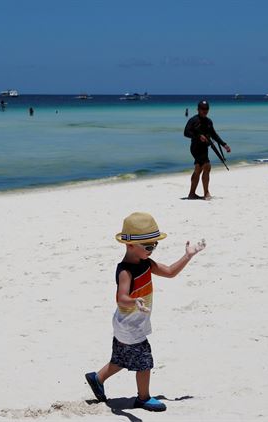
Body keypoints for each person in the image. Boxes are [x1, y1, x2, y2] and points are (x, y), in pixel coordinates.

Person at [84, 212, 206, 412]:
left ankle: (97, 378)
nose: (152, 250)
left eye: (155, 245)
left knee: (121, 358)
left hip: (131, 322)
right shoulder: (126, 270)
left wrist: (188, 256)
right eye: (148, 246)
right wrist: (134, 300)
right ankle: (143, 398)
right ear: (130, 245)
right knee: (144, 361)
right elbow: (121, 297)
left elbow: (170, 272)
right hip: (129, 324)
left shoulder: (146, 264)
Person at [183, 100, 231, 199]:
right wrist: (198, 136)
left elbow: (214, 135)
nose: (205, 111)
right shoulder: (193, 120)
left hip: (204, 148)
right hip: (195, 148)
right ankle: (206, 193)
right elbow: (186, 133)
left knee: (198, 169)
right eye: (202, 109)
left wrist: (224, 144)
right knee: (207, 166)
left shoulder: (209, 121)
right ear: (198, 109)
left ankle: (192, 194)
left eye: (206, 109)